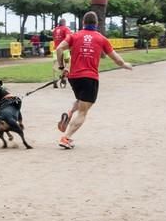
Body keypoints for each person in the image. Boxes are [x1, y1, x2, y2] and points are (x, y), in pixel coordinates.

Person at [55, 11, 132, 150]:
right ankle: (66, 138)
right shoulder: (101, 38)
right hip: (89, 77)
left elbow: (59, 48)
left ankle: (70, 112)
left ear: (83, 22)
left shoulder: (75, 36)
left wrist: (61, 65)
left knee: (81, 100)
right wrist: (125, 65)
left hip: (74, 77)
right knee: (84, 111)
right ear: (96, 23)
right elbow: (116, 58)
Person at [52, 18, 72, 88]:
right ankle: (64, 77)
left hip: (55, 49)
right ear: (64, 23)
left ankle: (54, 79)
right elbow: (68, 38)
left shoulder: (54, 30)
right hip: (64, 49)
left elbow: (54, 39)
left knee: (56, 63)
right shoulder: (66, 29)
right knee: (68, 62)